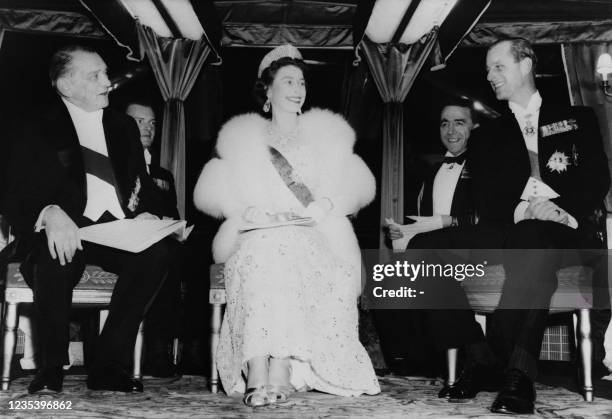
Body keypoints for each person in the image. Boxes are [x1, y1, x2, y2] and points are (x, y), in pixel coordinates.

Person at [193, 44, 380, 406]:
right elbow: (214, 192)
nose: (297, 89)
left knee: (283, 250)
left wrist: (326, 205)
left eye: (302, 82)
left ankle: (279, 367)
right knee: (263, 250)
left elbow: (356, 185)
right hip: (255, 236)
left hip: (314, 236)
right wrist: (248, 212)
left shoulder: (325, 134)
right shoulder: (244, 138)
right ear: (267, 90)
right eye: (288, 81)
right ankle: (257, 368)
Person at [3, 45, 170, 394]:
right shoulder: (34, 125)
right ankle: (50, 369)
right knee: (55, 256)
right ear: (65, 85)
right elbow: (13, 189)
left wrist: (149, 214)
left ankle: (108, 365)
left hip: (117, 230)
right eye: (95, 75)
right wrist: (47, 213)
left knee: (157, 253)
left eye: (106, 73)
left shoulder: (123, 125)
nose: (107, 82)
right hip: (68, 227)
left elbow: (142, 184)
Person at [479, 37, 609, 414]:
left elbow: (598, 179)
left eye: (498, 66)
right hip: (527, 235)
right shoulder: (487, 135)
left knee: (533, 242)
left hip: (575, 234)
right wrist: (527, 210)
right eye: (487, 69)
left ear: (526, 64)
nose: (490, 76)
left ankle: (501, 343)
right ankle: (520, 379)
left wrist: (560, 210)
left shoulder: (578, 118)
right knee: (532, 240)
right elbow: (486, 200)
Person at [378, 99, 482, 377]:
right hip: (435, 252)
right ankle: (415, 360)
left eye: (459, 122)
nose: (451, 130)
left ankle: (473, 352)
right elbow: (421, 222)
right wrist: (403, 231)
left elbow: (489, 220)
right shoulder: (431, 172)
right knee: (385, 277)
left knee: (422, 258)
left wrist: (443, 223)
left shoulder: (485, 168)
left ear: (474, 127)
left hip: (475, 251)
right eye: (444, 123)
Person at [125, 101, 181, 377]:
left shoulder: (163, 175)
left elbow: (174, 215)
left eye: (152, 123)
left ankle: (176, 351)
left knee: (180, 256)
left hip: (160, 243)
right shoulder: (115, 165)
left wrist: (174, 227)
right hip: (123, 241)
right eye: (138, 121)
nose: (147, 128)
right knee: (160, 258)